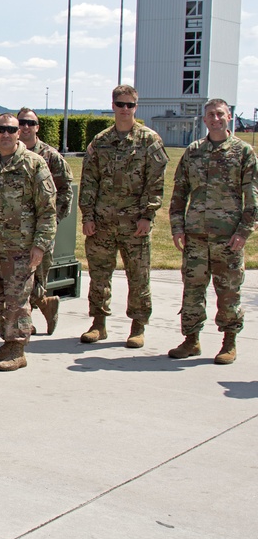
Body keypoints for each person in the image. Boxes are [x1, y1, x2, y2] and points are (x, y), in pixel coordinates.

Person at [167, 98, 258, 364]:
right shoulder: (193, 151)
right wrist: (177, 227)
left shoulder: (243, 152)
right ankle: (191, 340)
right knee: (192, 291)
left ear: (229, 117)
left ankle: (229, 342)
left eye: (220, 114)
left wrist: (243, 232)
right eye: (210, 115)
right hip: (195, 237)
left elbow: (252, 198)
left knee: (228, 292)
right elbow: (179, 193)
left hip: (228, 238)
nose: (215, 118)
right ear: (204, 120)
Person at [79, 85, 168, 348]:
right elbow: (89, 181)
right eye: (120, 104)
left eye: (130, 104)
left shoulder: (149, 140)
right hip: (103, 223)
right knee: (99, 275)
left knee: (138, 276)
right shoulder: (101, 141)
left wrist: (147, 216)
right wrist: (87, 216)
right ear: (113, 105)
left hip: (134, 223)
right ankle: (98, 323)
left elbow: (155, 182)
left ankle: (138, 326)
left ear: (136, 107)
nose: (125, 109)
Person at [0, 113, 56, 372]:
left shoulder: (34, 164)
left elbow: (47, 209)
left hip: (22, 249)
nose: (5, 134)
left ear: (19, 133)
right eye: (0, 129)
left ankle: (18, 348)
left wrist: (40, 245)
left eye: (11, 129)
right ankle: (7, 342)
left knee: (18, 300)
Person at [17, 107, 73, 335]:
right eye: (22, 122)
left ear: (37, 127)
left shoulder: (50, 156)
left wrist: (51, 222)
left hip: (40, 231)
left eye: (31, 123)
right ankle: (42, 307)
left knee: (36, 276)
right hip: (13, 230)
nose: (26, 127)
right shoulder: (8, 152)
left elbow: (66, 189)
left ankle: (26, 320)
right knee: (16, 277)